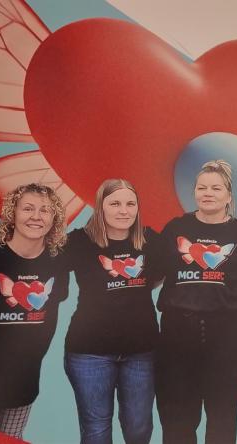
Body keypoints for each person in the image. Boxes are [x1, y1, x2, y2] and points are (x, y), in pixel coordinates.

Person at [154, 160, 237, 444]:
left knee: (222, 416)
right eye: (201, 188)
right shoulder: (175, 229)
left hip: (230, 336)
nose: (207, 193)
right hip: (177, 334)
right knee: (177, 418)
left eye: (216, 188)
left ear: (229, 196)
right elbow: (154, 273)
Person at [0, 183, 69, 439]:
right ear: (13, 214)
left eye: (45, 210)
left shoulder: (57, 262)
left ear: (54, 218)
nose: (36, 216)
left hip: (23, 380)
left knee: (12, 440)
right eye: (27, 208)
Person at [63, 179, 158, 444]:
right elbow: (40, 266)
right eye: (115, 203)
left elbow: (164, 275)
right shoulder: (79, 241)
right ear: (100, 207)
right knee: (96, 430)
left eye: (130, 204)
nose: (123, 210)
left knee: (139, 428)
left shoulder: (150, 240)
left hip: (142, 351)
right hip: (89, 353)